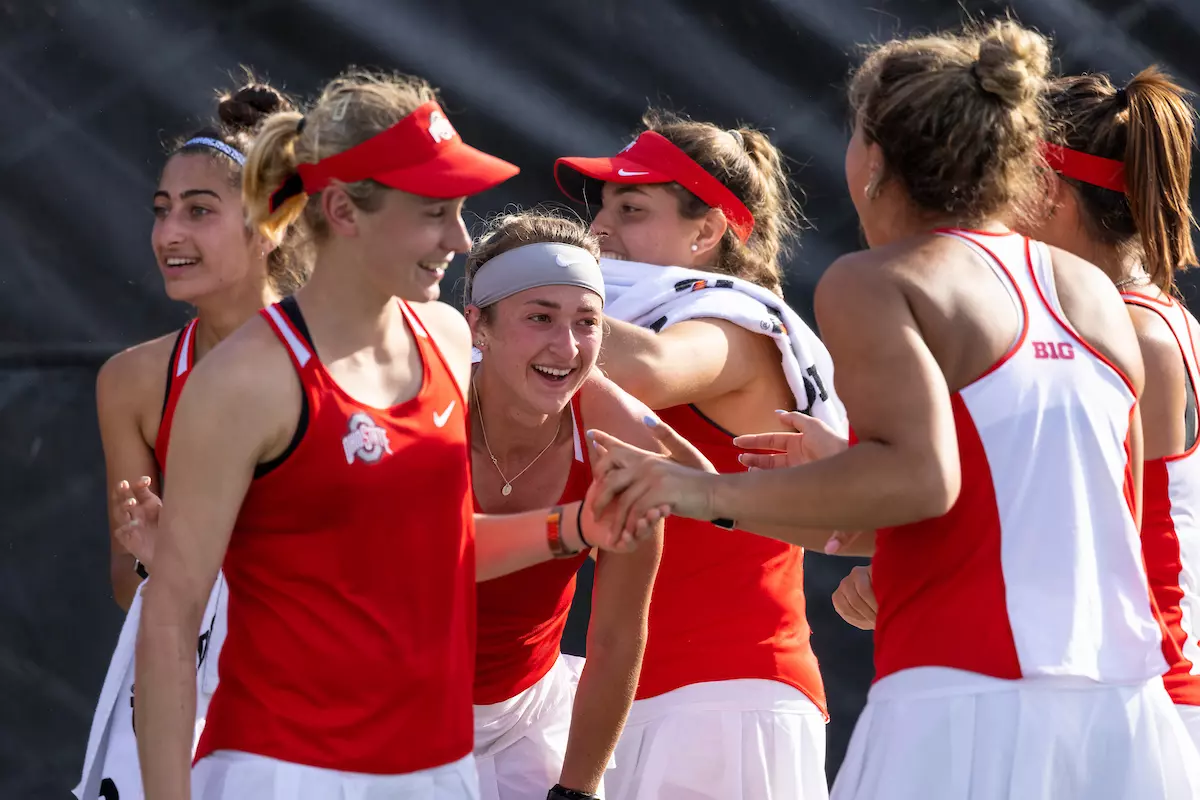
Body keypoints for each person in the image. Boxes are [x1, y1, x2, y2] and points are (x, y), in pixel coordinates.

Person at [588, 19, 1200, 799]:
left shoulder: (874, 281)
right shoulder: (1095, 294)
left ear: (874, 161)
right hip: (1128, 711)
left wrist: (696, 490)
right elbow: (1067, 512)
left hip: (959, 697)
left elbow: (920, 478)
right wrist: (827, 488)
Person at [128, 69, 660, 800]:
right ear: (344, 210)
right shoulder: (246, 379)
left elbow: (436, 551)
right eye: (435, 212)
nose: (462, 238)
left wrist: (571, 527)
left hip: (437, 775)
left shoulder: (445, 336)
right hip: (287, 773)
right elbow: (169, 619)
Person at [826, 68, 1200, 755]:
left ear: (1047, 189)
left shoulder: (1128, 328)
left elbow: (1095, 526)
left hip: (1138, 700)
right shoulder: (1156, 320)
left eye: (1000, 181)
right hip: (1121, 689)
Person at [554, 111, 845, 798]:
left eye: (630, 208)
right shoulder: (631, 322)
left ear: (707, 231)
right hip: (635, 695)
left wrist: (531, 282)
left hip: (729, 697)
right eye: (602, 209)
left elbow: (650, 369)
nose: (599, 230)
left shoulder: (738, 326)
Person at [75, 78, 305, 800]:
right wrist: (159, 561)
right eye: (162, 211)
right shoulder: (133, 381)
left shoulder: (345, 364)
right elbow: (127, 582)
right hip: (180, 694)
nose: (169, 234)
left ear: (273, 224)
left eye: (200, 212)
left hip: (315, 695)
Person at [464, 211, 662, 800]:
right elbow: (426, 559)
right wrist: (571, 524)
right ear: (479, 326)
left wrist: (575, 792)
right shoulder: (422, 414)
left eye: (587, 322)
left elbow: (616, 639)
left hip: (528, 717)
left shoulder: (624, 450)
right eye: (539, 318)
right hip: (384, 707)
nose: (567, 346)